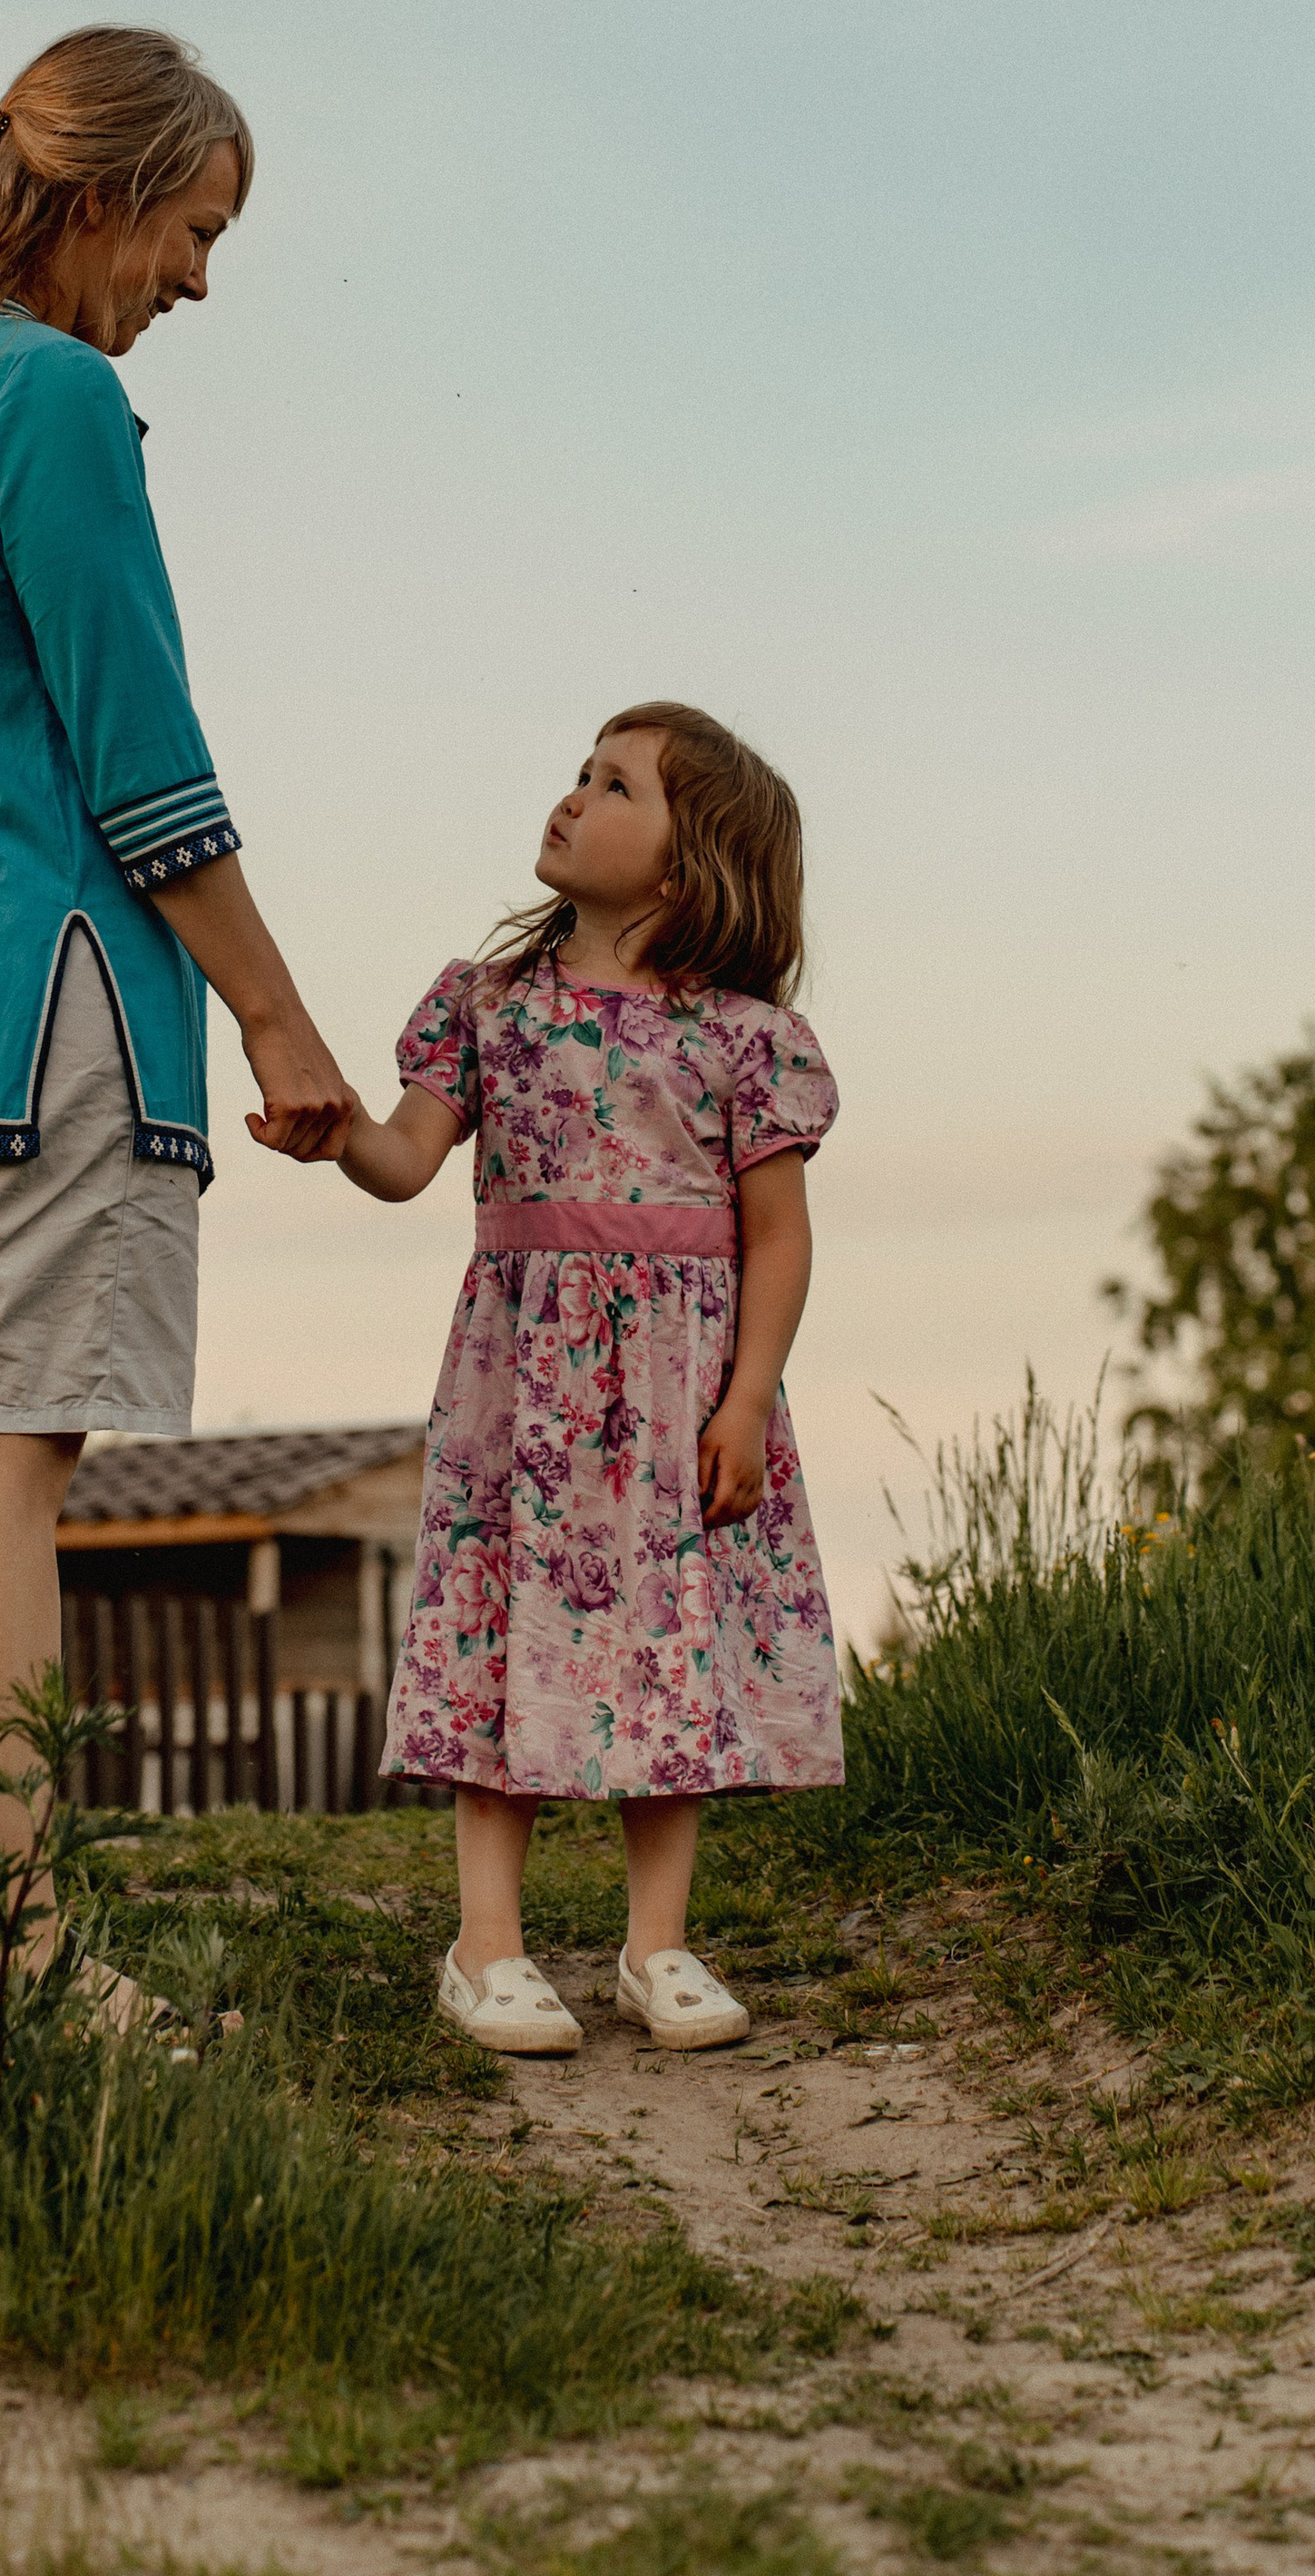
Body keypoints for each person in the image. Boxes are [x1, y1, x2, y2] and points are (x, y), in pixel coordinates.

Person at [0, 25, 353, 1993]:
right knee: (9, 1468)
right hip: (53, 989)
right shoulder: (50, 392)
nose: (196, 279)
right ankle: (9, 1945)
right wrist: (276, 1019)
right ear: (104, 194)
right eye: (194, 230)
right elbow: (142, 759)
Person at [335, 703, 839, 2054]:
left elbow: (781, 1238)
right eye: (580, 771)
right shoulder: (492, 1005)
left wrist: (747, 1398)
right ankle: (486, 1948)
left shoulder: (743, 1038)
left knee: (668, 1642)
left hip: (680, 1394)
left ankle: (655, 1945)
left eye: (614, 785)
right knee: (498, 1629)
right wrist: (341, 1135)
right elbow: (405, 1158)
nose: (572, 796)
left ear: (690, 861)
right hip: (527, 1395)